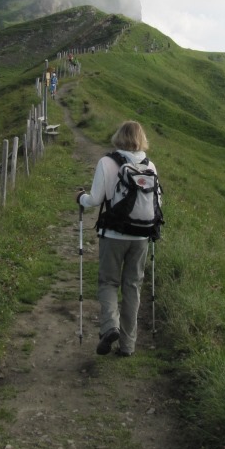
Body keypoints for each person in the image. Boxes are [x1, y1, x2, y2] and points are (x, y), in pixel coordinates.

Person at [75, 120, 157, 357]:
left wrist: (81, 198)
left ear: (118, 136)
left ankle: (110, 326)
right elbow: (157, 203)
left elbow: (95, 199)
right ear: (141, 139)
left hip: (113, 234)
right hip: (141, 236)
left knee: (109, 283)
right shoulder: (150, 166)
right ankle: (128, 345)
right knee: (132, 286)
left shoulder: (107, 162)